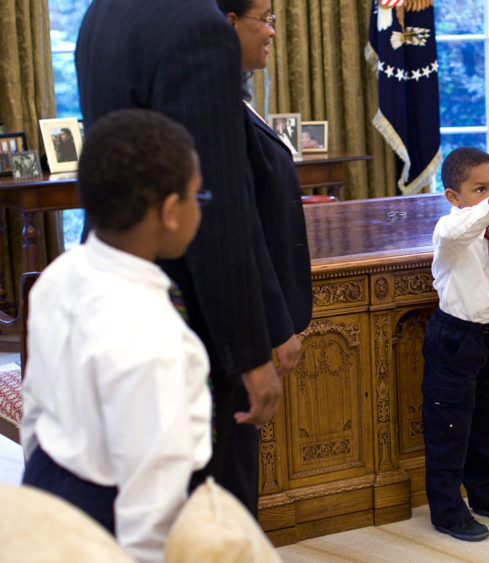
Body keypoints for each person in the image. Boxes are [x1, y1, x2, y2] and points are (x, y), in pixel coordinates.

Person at [76, 0, 282, 512]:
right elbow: (215, 201)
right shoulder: (197, 26)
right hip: (186, 306)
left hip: (114, 281)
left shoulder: (102, 12)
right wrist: (250, 353)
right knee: (211, 502)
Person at [20, 108, 212, 563]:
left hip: (47, 482)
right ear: (169, 211)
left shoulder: (58, 275)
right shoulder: (152, 334)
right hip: (109, 516)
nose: (198, 207)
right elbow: (152, 500)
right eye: (195, 196)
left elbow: (35, 409)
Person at [216, 0, 312, 515]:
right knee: (231, 475)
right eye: (265, 17)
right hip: (243, 325)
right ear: (229, 23)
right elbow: (241, 229)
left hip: (252, 318)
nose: (273, 30)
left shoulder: (238, 95)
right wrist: (274, 325)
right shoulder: (216, 106)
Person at [422, 147, 489, 542]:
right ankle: (447, 510)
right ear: (453, 197)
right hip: (454, 340)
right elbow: (460, 229)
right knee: (449, 427)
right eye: (479, 189)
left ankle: (487, 493)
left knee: (487, 424)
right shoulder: (449, 234)